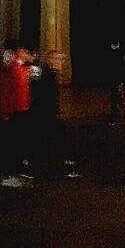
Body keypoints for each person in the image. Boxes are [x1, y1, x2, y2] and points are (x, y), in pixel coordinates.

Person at [27, 49, 80, 179]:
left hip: (45, 112)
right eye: (58, 59)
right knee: (48, 138)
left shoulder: (49, 73)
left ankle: (34, 165)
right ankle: (60, 164)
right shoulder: (46, 74)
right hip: (43, 113)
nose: (61, 62)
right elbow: (40, 93)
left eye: (62, 59)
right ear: (50, 60)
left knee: (47, 138)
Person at [0, 39, 33, 185]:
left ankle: (12, 171)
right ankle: (7, 174)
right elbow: (6, 92)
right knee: (9, 144)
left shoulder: (18, 67)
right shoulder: (10, 68)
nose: (27, 54)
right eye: (24, 51)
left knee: (15, 143)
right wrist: (5, 112)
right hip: (12, 111)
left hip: (19, 109)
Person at [105, 38, 125, 124]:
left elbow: (114, 69)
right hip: (117, 80)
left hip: (115, 80)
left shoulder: (114, 55)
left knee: (115, 99)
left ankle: (114, 118)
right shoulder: (120, 55)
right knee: (117, 99)